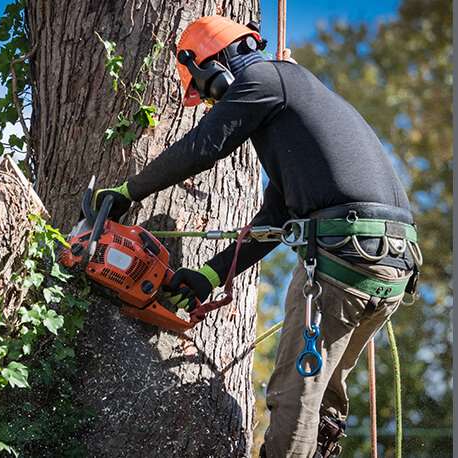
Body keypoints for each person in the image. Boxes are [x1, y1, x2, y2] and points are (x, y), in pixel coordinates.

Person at [92, 16, 421, 458]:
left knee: (293, 398)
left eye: (207, 93)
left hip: (347, 259)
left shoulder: (266, 77)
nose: (212, 106)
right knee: (322, 401)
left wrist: (127, 192)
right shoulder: (297, 117)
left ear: (216, 66)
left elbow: (205, 146)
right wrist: (208, 276)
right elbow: (273, 222)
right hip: (388, 266)